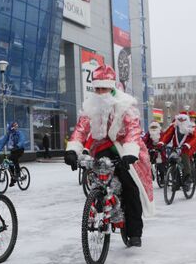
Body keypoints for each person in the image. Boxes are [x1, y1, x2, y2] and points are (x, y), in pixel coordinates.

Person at [63, 65, 154, 247]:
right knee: (99, 179)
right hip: (102, 148)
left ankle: (135, 232)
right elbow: (82, 129)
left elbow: (133, 130)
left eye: (103, 88)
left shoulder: (124, 105)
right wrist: (73, 149)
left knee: (129, 185)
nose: (100, 92)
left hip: (123, 148)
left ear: (111, 87)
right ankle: (101, 204)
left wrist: (129, 152)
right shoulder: (91, 105)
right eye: (97, 88)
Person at [157, 110, 196, 191]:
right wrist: (162, 142)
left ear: (186, 120)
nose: (181, 121)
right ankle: (176, 181)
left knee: (185, 158)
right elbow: (167, 135)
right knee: (172, 160)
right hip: (176, 148)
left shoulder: (191, 127)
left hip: (187, 148)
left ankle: (187, 179)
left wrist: (188, 145)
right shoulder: (174, 127)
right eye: (179, 119)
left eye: (183, 120)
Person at [0, 122, 27, 186]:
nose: (16, 127)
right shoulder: (9, 134)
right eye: (14, 126)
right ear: (11, 127)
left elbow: (22, 140)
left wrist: (17, 146)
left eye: (16, 126)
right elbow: (2, 142)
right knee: (10, 163)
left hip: (20, 149)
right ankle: (13, 178)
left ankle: (18, 173)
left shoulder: (19, 133)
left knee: (13, 159)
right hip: (13, 150)